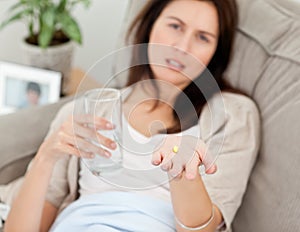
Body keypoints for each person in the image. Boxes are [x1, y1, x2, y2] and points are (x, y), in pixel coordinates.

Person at [4, 0, 260, 231]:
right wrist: (45, 158)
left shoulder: (232, 114)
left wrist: (181, 171)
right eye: (175, 26)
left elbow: (204, 229)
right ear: (149, 26)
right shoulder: (87, 111)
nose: (183, 47)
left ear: (216, 51)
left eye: (203, 37)